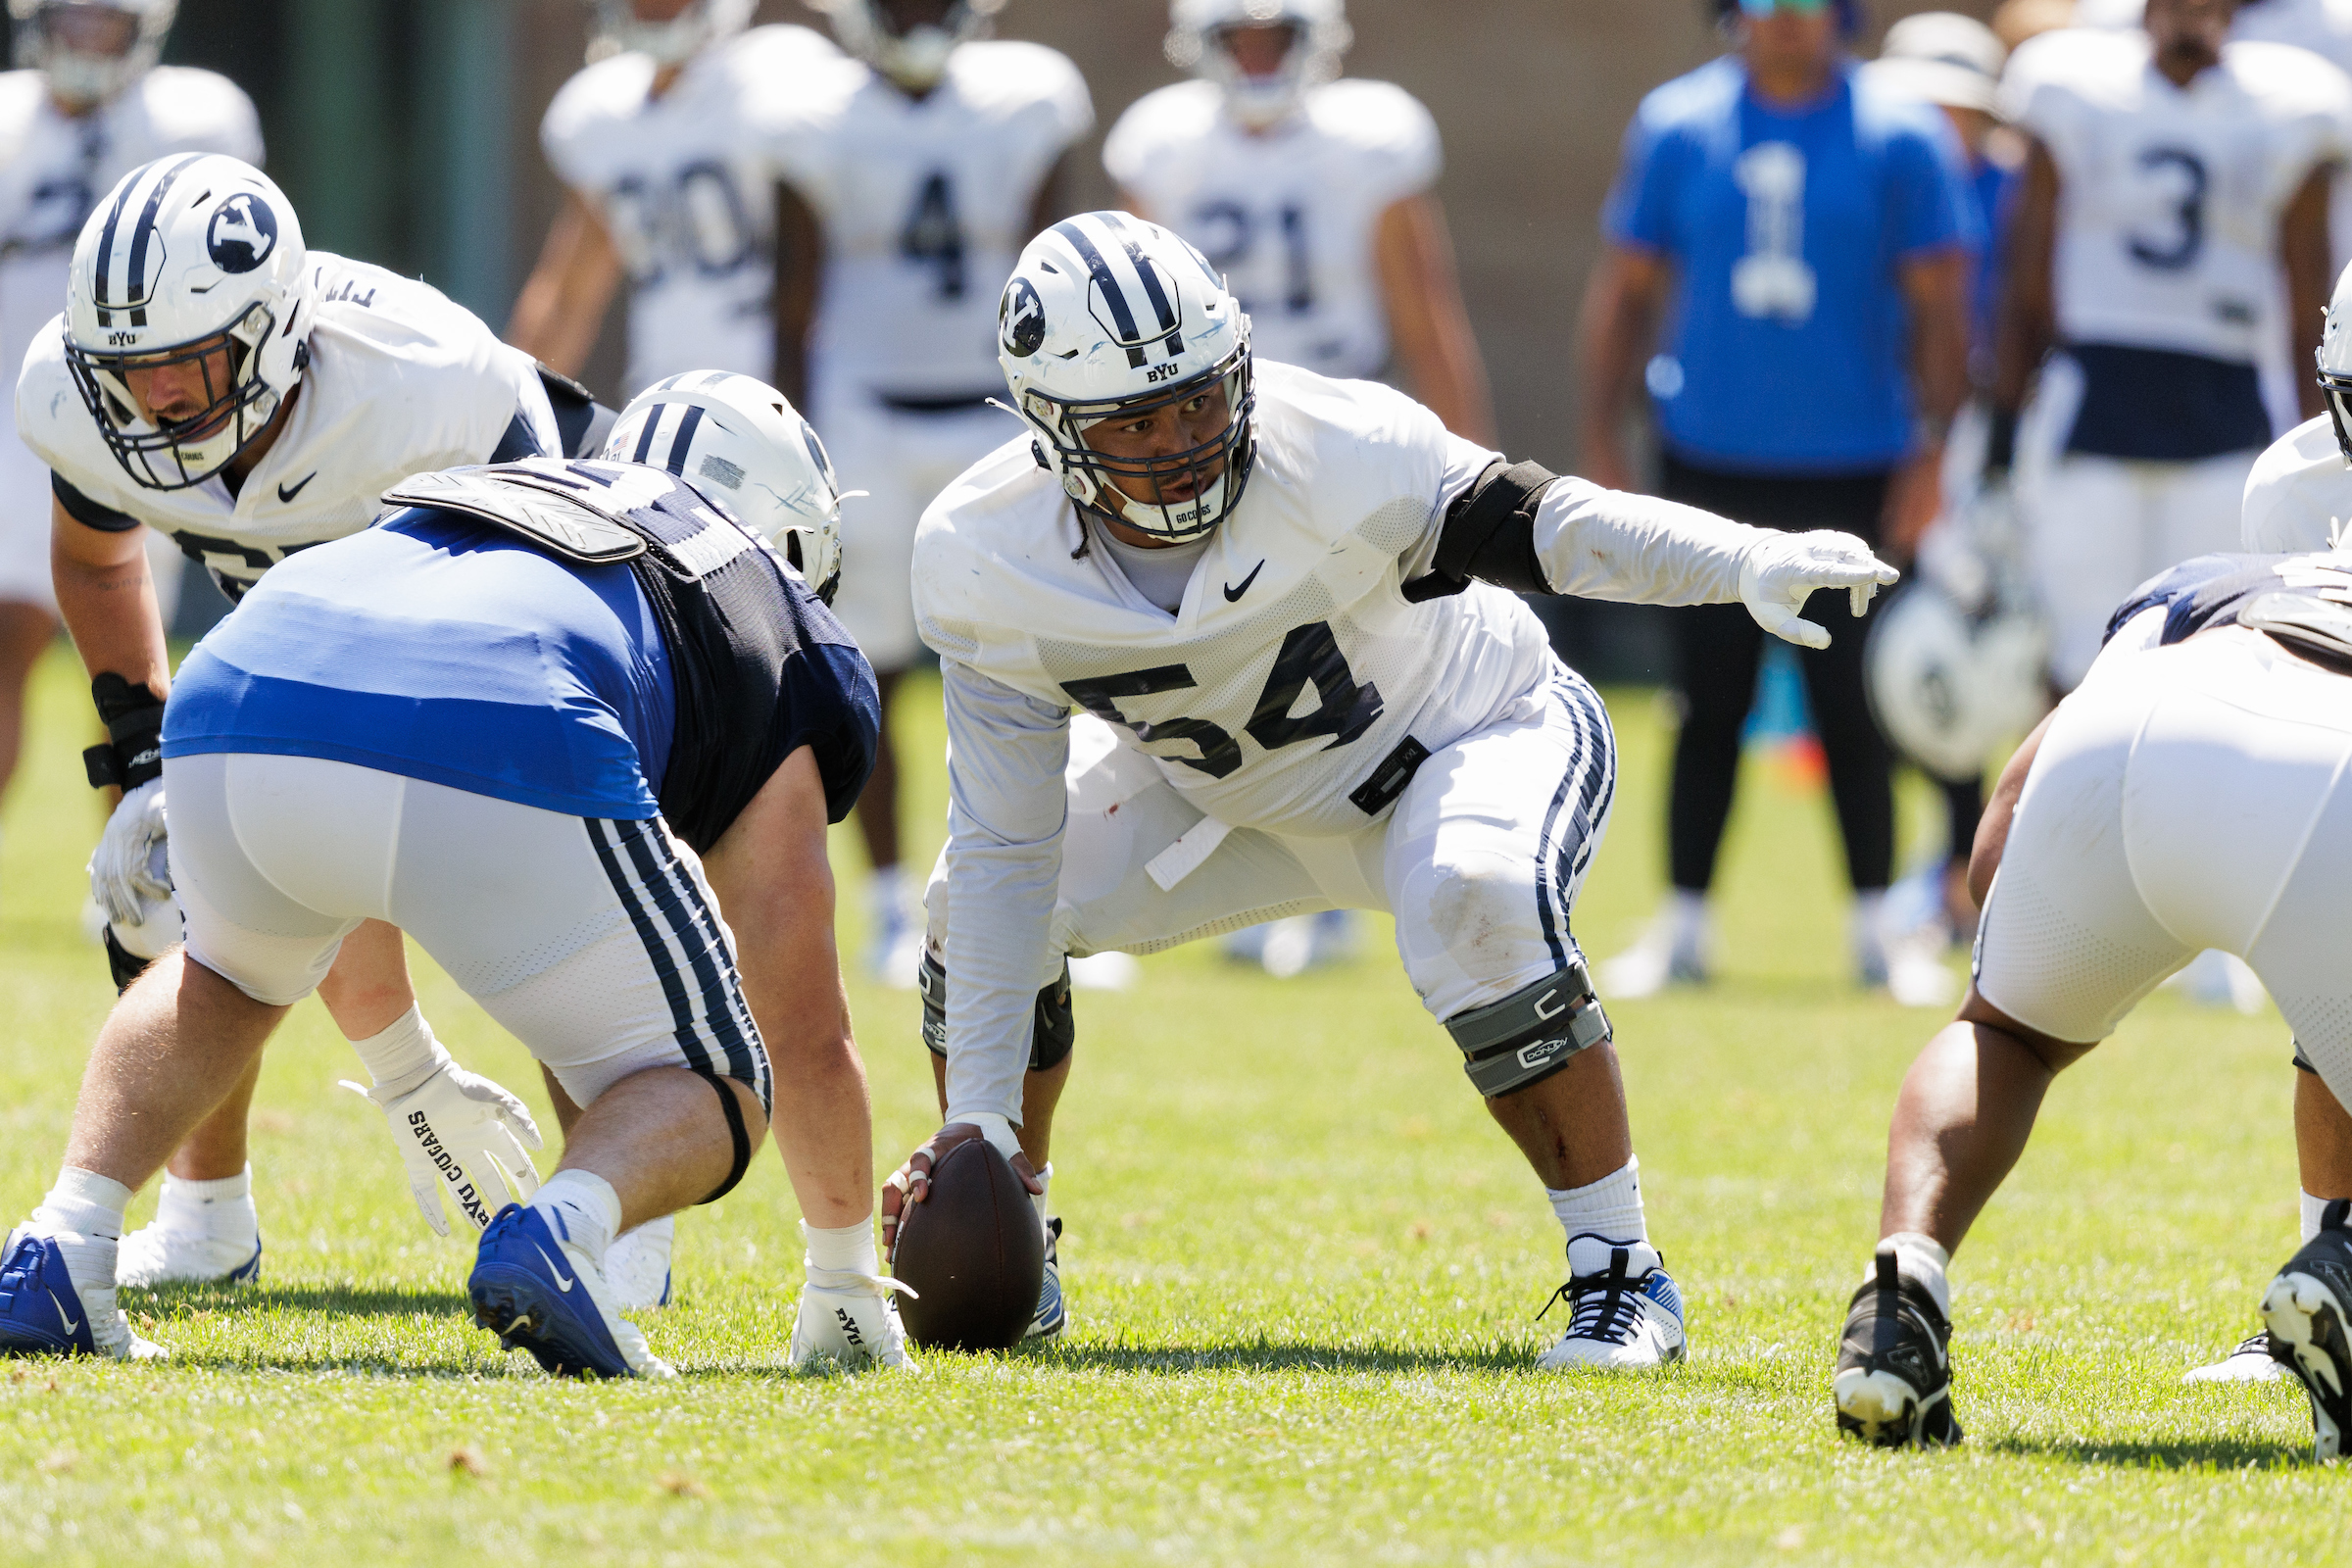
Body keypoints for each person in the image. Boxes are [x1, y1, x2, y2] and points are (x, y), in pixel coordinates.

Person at [880, 212, 1897, 1363]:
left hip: (1465, 738)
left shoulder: (1340, 445)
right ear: (1050, 431)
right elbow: (1010, 842)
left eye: (1200, 402)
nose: (1179, 441)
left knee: (1471, 891)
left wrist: (1740, 558)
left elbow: (1551, 522)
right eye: (1137, 421)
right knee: (968, 905)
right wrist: (976, 1131)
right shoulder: (981, 554)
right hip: (1225, 801)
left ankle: (1624, 1273)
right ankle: (1025, 1233)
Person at [0, 374, 905, 1377]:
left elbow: (365, 799)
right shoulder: (759, 605)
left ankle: (64, 1239)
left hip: (244, 672)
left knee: (224, 973)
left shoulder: (501, 484)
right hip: (500, 708)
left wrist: (408, 1071)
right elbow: (804, 1019)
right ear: (790, 541)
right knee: (718, 1081)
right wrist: (845, 1284)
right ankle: (560, 1233)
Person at [11, 154, 652, 1297]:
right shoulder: (73, 396)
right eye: (127, 371)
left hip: (512, 584)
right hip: (304, 639)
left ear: (269, 334)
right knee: (166, 881)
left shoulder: (423, 386)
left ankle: (617, 1223)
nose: (151, 402)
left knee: (561, 885)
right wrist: (143, 749)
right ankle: (208, 1217)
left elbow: (552, 589)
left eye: (180, 366)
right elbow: (97, 560)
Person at [1831, 543, 2352, 1457]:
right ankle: (2343, 1268)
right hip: (2330, 769)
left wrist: (2037, 970)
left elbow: (1998, 842)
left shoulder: (2223, 570)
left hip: (2135, 735)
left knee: (2002, 1036)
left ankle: (1901, 1287)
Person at [1580, 0, 1978, 1003]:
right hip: (1709, 453)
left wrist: (1935, 450)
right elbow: (1628, 284)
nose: (1789, 20)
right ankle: (1683, 923)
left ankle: (1876, 928)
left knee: (1857, 708)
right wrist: (1601, 432)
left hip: (1856, 459)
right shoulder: (1677, 122)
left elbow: (1940, 303)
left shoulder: (1901, 131)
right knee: (1705, 698)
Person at [1104, 0, 1495, 978]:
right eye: (1239, 38)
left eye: (1274, 36)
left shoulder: (1372, 137)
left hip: (1336, 427)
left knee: (1341, 664)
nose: (1256, 56)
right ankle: (1211, 877)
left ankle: (1331, 886)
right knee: (1203, 660)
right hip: (1202, 432)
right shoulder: (1161, 144)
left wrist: (1472, 469)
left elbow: (1424, 308)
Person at [770, 0, 1093, 986]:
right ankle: (885, 902)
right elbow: (795, 291)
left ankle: (1058, 897)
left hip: (1001, 408)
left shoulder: (1029, 98)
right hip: (862, 411)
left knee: (1041, 655)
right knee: (870, 661)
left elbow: (1060, 266)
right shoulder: (811, 115)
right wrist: (791, 440)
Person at [1994, 0, 2346, 699]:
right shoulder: (2073, 77)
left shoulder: (2294, 99)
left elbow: (2309, 292)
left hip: (2224, 408)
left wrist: (2324, 441)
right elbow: (2027, 267)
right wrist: (1999, 427)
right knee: (2079, 659)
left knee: (2213, 659)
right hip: (2095, 400)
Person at [0, 0, 258, 831]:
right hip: (13, 410)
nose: (85, 38)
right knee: (7, 638)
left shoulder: (200, 116)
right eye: (70, 18)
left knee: (131, 658)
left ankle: (135, 859)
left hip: (148, 407)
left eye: (103, 20)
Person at [1862, 13, 2039, 957]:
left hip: (2006, 441)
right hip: (1895, 434)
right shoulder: (1875, 175)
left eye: (1953, 108)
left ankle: (1992, 871)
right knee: (1922, 656)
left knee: (2004, 655)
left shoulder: (2015, 189)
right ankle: (1946, 867)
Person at [509, 0, 841, 395]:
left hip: (781, 396)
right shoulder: (601, 117)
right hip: (662, 397)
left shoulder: (780, 76)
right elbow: (568, 300)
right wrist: (509, 409)